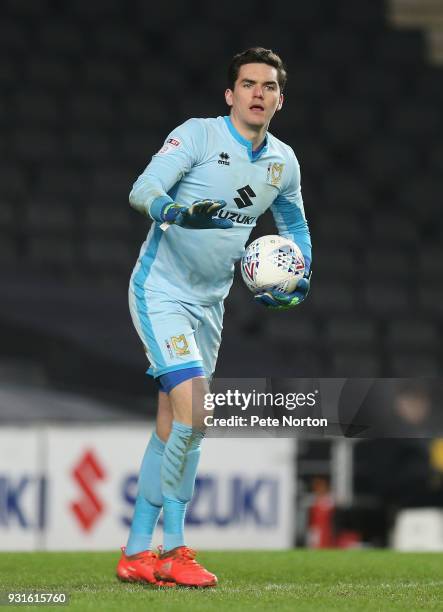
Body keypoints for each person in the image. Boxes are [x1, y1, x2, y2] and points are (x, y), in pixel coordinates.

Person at [116, 47, 312, 588]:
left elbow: (295, 225)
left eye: (268, 86)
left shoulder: (282, 162)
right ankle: (175, 549)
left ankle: (136, 552)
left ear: (279, 99)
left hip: (211, 302)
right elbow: (142, 191)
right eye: (248, 84)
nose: (257, 93)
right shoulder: (198, 136)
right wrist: (175, 211)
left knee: (174, 424)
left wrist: (301, 274)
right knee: (198, 414)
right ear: (231, 94)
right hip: (161, 292)